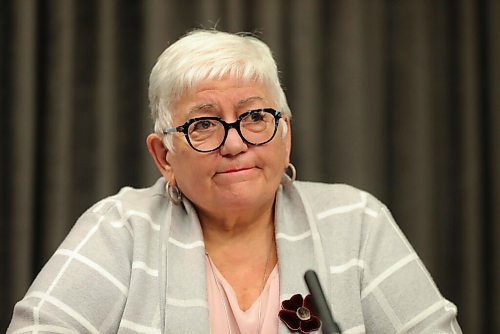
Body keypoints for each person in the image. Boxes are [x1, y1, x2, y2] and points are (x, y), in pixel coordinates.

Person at [8, 29, 462, 334]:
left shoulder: (355, 221)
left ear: (286, 133)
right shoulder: (120, 229)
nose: (234, 143)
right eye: (203, 125)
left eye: (254, 117)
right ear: (164, 155)